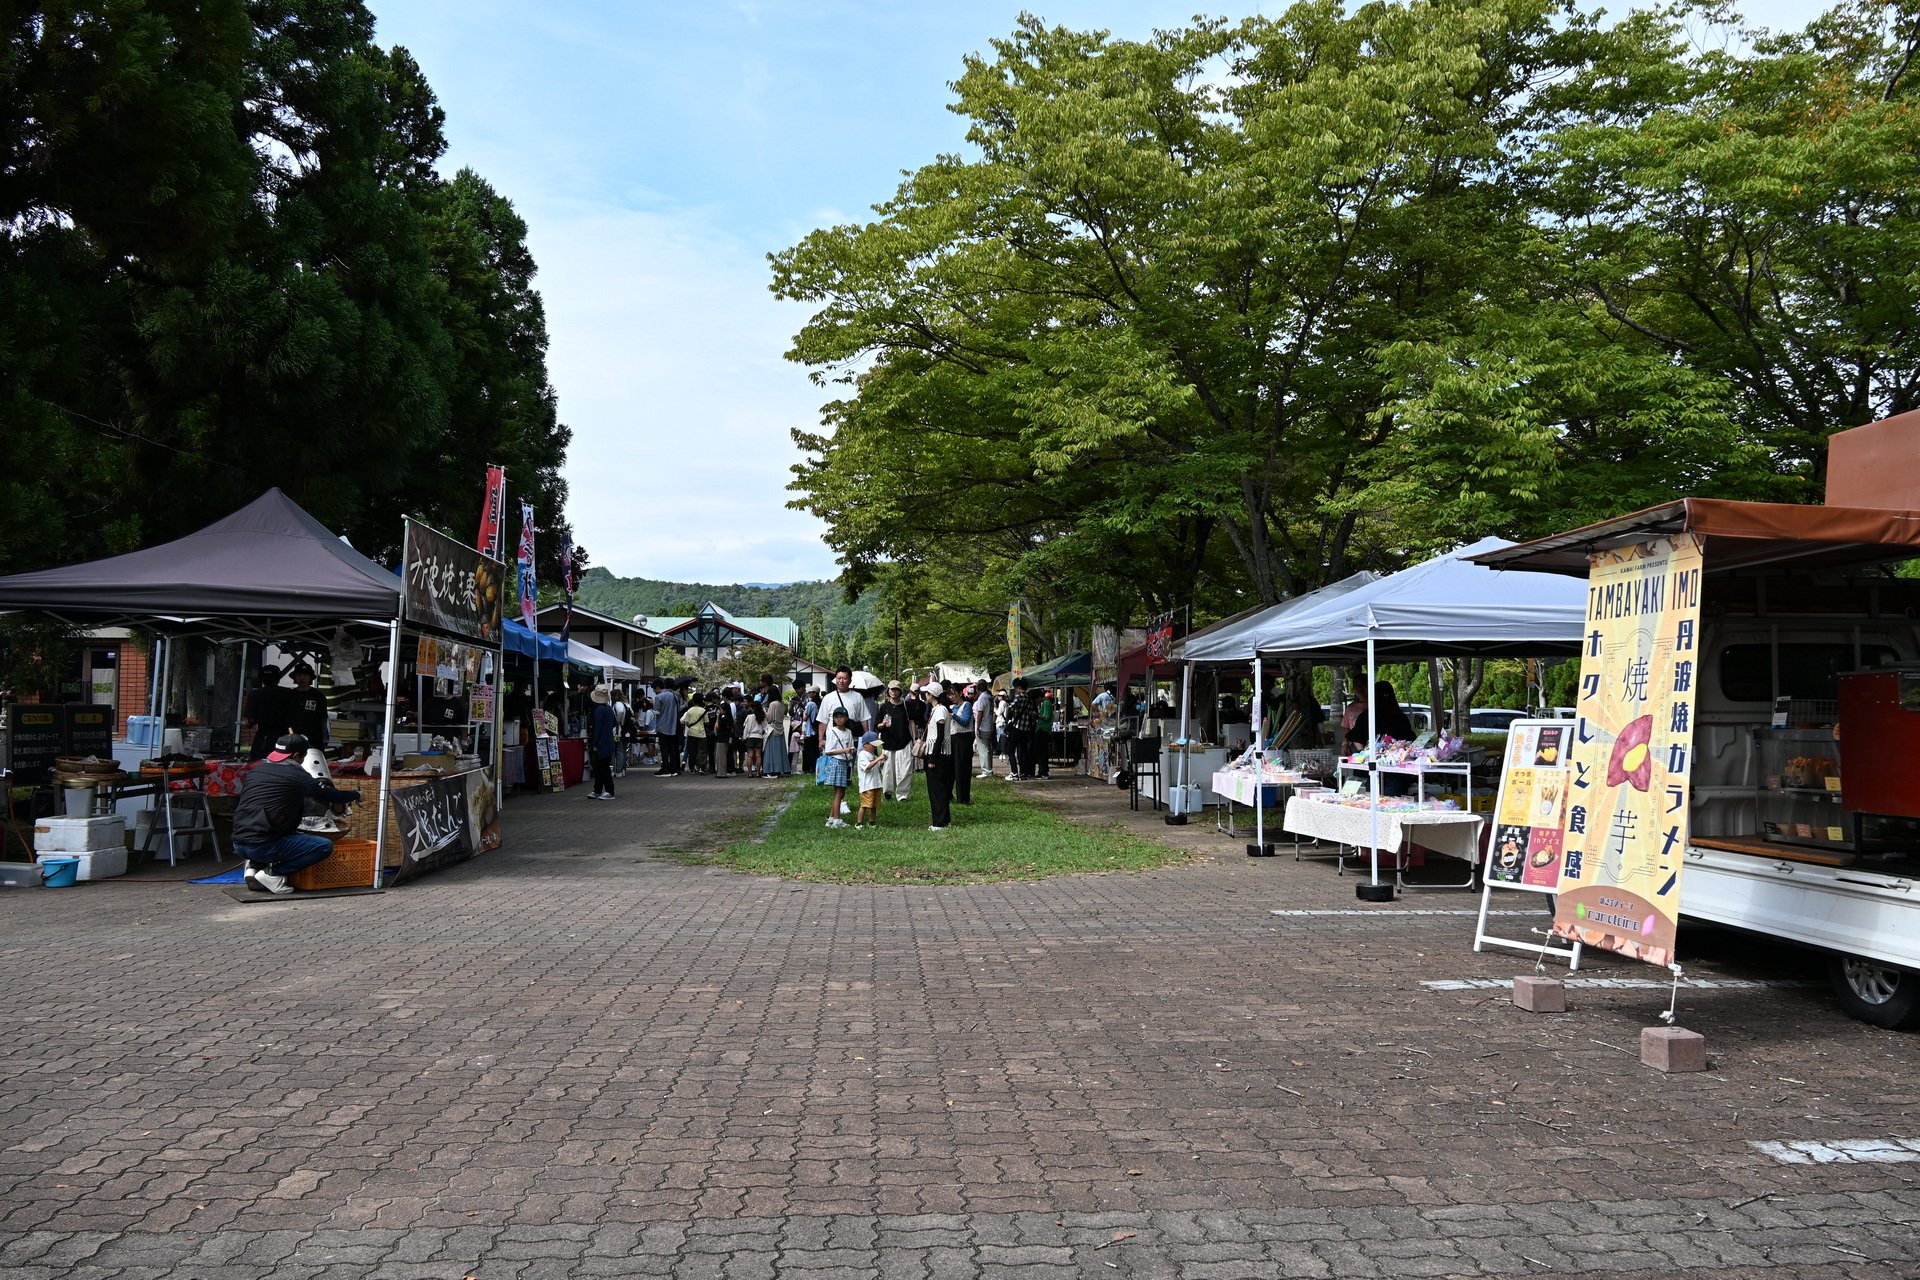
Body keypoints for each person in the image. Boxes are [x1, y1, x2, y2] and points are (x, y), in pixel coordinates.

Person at [231, 733, 361, 894]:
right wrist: (355, 794)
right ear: (297, 756)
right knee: (323, 846)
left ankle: (252, 868)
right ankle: (272, 875)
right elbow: (330, 795)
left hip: (238, 843)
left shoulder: (257, 770)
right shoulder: (297, 776)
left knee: (271, 828)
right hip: (262, 846)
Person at [1346, 681, 1418, 797]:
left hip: (1368, 770)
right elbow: (1410, 742)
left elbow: (1356, 737)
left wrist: (1365, 753)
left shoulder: (1367, 716)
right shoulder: (1400, 717)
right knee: (1392, 803)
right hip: (1395, 770)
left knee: (1368, 803)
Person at [921, 682, 956, 830]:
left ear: (932, 695)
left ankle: (939, 822)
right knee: (938, 788)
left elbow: (940, 735)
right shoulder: (937, 709)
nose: (925, 695)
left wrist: (932, 759)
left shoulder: (940, 710)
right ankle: (944, 820)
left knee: (937, 790)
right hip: (938, 753)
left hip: (939, 754)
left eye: (927, 693)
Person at [874, 681, 916, 803]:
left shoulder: (906, 706)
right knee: (887, 770)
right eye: (891, 689)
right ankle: (888, 792)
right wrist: (883, 724)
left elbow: (912, 722)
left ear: (900, 691)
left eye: (896, 689)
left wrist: (914, 738)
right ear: (888, 691)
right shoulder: (883, 707)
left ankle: (902, 795)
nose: (894, 691)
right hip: (888, 742)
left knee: (905, 769)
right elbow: (878, 726)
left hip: (904, 741)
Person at [816, 704, 856, 828]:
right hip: (836, 762)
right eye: (836, 717)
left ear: (846, 718)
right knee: (838, 792)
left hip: (845, 762)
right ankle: (837, 820)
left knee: (841, 792)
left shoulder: (848, 731)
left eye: (842, 716)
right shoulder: (832, 731)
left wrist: (850, 751)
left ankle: (832, 818)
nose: (839, 719)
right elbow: (829, 751)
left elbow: (849, 745)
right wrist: (844, 751)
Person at [243, 664, 287, 761]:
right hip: (284, 736)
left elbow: (250, 721)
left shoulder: (255, 694)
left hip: (263, 736)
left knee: (258, 763)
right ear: (278, 678)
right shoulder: (288, 693)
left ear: (262, 679)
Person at [815, 667, 867, 749]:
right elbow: (823, 721)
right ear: (835, 680)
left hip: (852, 740)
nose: (841, 681)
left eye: (844, 678)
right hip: (832, 740)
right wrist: (820, 740)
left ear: (850, 680)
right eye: (839, 678)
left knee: (850, 761)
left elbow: (864, 719)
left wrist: (866, 739)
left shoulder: (858, 697)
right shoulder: (828, 698)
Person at [284, 662, 329, 748]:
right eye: (299, 675)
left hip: (314, 738)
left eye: (305, 675)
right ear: (295, 678)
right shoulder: (289, 695)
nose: (302, 678)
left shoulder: (318, 695)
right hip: (293, 737)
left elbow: (323, 717)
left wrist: (324, 736)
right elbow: (285, 718)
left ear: (310, 678)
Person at [1002, 678, 1037, 781]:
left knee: (1011, 750)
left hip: (1017, 728)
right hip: (1026, 729)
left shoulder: (1019, 698)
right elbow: (1031, 713)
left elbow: (1010, 708)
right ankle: (1024, 773)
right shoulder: (1029, 699)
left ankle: (1014, 773)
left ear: (1019, 687)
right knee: (1023, 751)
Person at [587, 685, 618, 800]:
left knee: (602, 768)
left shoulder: (599, 710)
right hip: (608, 741)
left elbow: (597, 729)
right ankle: (597, 790)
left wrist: (595, 743)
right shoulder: (608, 708)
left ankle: (609, 791)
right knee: (601, 767)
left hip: (601, 742)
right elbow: (615, 723)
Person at [854, 731, 886, 829]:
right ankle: (859, 823)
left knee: (874, 805)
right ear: (865, 745)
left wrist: (882, 761)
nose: (875, 747)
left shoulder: (874, 755)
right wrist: (878, 759)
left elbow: (877, 767)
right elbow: (867, 766)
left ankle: (872, 821)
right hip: (867, 785)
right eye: (873, 745)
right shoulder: (862, 755)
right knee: (865, 805)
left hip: (875, 784)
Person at [951, 683, 976, 805]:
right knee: (955, 769)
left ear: (960, 693)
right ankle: (956, 796)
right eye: (949, 695)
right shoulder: (953, 707)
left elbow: (965, 722)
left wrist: (953, 716)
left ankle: (964, 798)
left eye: (953, 694)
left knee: (963, 769)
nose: (951, 697)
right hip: (954, 739)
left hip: (964, 739)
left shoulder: (967, 705)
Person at [651, 680, 682, 776]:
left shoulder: (659, 697)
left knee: (664, 749)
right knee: (672, 748)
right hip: (674, 726)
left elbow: (657, 712)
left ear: (664, 685)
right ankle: (673, 769)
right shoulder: (676, 696)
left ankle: (665, 768)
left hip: (663, 725)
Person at [681, 692, 711, 774]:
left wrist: (690, 725)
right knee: (701, 751)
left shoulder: (689, 710)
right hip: (701, 733)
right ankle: (701, 767)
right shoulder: (703, 710)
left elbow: (686, 722)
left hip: (691, 733)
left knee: (692, 751)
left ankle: (692, 768)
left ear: (693, 701)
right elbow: (707, 723)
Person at [762, 693, 790, 778]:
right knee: (780, 751)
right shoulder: (782, 704)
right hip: (780, 728)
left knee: (771, 751)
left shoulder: (772, 704)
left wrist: (764, 711)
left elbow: (769, 718)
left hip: (773, 729)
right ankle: (780, 769)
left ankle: (771, 770)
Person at [971, 683, 996, 778]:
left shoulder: (981, 698)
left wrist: (977, 727)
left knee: (983, 749)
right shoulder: (989, 697)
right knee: (988, 748)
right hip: (989, 725)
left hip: (983, 726)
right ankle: (989, 768)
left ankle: (986, 771)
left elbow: (980, 714)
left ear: (978, 689)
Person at [1034, 689, 1055, 778]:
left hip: (1043, 729)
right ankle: (1042, 770)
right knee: (1041, 751)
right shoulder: (1046, 703)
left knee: (1042, 752)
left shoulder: (1046, 703)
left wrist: (1037, 715)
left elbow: (1046, 717)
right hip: (1043, 729)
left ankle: (1043, 772)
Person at [741, 698, 765, 777]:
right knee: (758, 755)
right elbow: (765, 728)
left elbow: (746, 728)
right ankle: (758, 773)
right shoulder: (762, 717)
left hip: (751, 737)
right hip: (759, 737)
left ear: (752, 708)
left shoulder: (749, 717)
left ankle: (750, 773)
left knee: (750, 755)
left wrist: (744, 737)